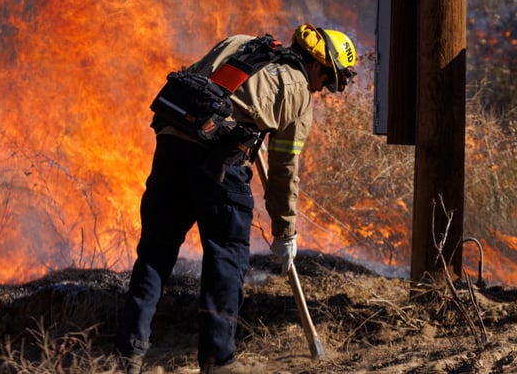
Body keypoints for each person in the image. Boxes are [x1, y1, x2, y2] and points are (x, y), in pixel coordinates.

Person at [116, 23, 357, 373]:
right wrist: (285, 231)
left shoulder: (242, 43)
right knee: (226, 257)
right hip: (220, 164)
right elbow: (284, 169)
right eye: (332, 81)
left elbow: (196, 82)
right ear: (319, 65)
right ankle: (218, 361)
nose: (325, 90)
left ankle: (128, 354)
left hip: (172, 146)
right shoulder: (300, 92)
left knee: (155, 251)